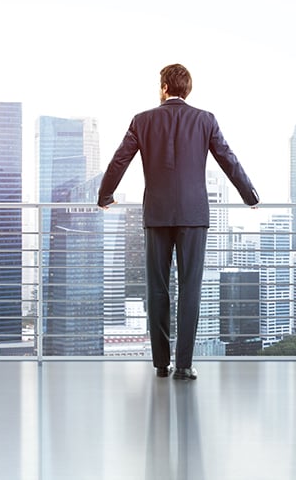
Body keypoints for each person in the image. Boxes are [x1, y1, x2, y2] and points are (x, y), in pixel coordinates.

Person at [97, 63, 259, 380]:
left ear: (164, 88)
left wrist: (105, 195)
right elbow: (228, 158)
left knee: (157, 288)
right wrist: (249, 195)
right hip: (194, 216)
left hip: (156, 215)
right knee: (190, 289)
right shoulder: (205, 120)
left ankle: (160, 364)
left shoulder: (142, 120)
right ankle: (183, 365)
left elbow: (120, 158)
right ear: (187, 89)